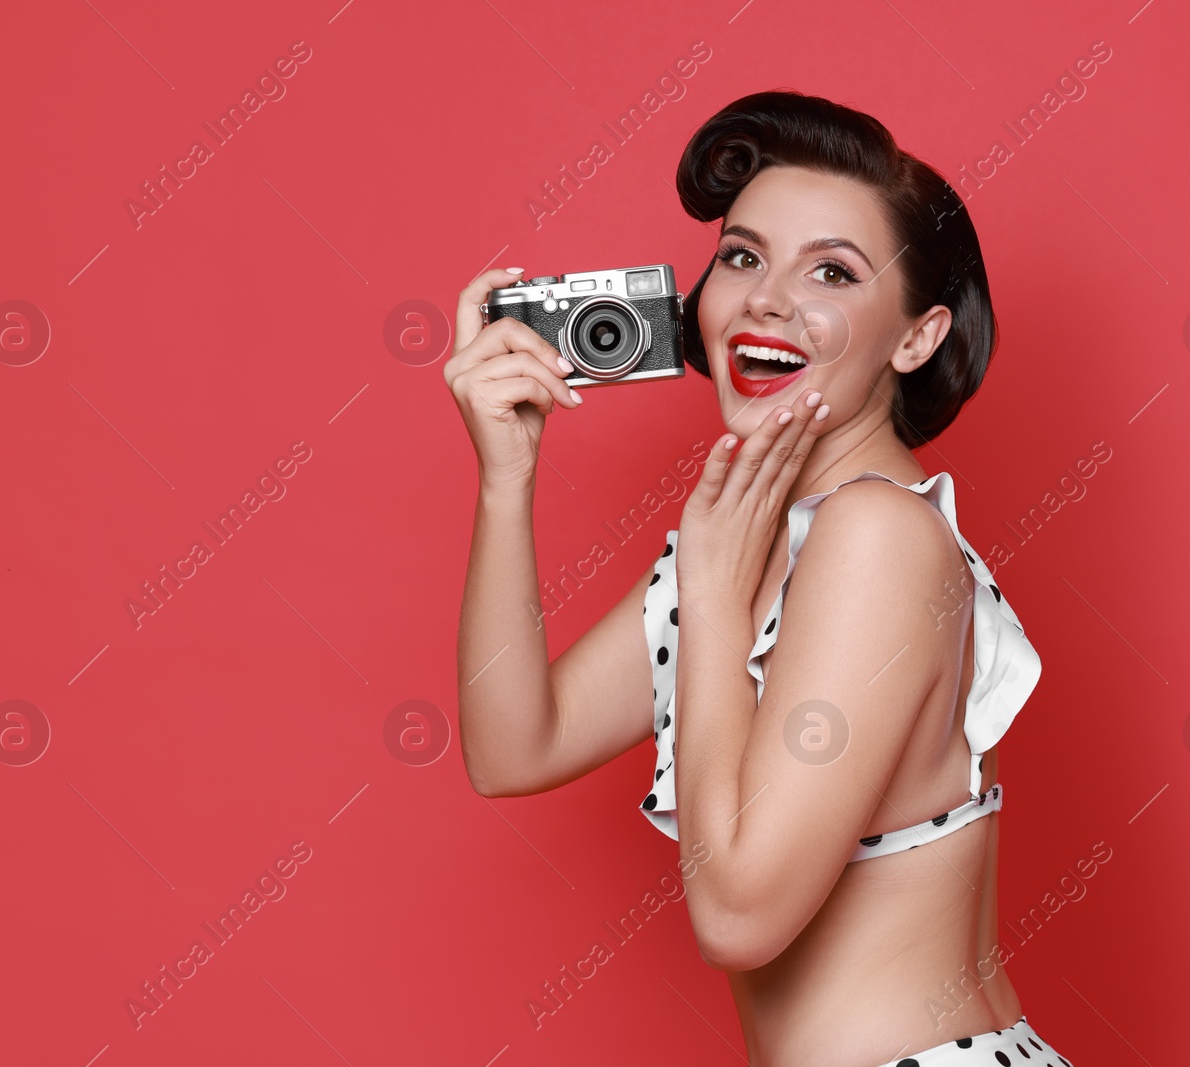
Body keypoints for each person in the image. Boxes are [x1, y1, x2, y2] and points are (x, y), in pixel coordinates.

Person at [447, 89, 1074, 1067]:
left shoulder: (876, 534)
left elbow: (738, 914)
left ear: (915, 337)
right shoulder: (750, 537)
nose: (765, 298)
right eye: (742, 255)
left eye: (831, 269)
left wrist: (712, 592)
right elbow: (513, 745)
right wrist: (506, 477)